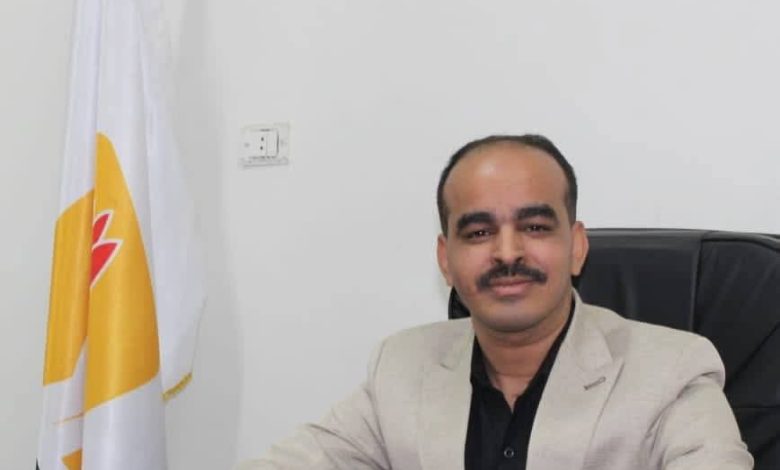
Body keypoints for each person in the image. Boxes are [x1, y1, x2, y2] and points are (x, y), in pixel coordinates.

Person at [238, 134, 753, 470]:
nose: (507, 253)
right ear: (446, 259)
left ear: (576, 247)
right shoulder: (401, 367)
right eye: (479, 232)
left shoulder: (671, 372)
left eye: (535, 227)